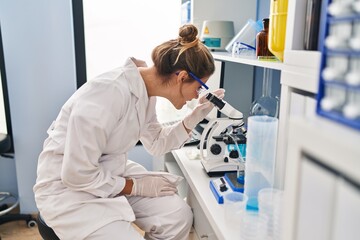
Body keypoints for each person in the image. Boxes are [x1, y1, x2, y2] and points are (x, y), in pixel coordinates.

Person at [33, 24, 225, 240]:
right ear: (181, 77)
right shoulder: (108, 93)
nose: (197, 95)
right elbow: (76, 174)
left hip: (108, 173)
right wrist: (136, 186)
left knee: (177, 216)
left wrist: (194, 117)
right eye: (200, 87)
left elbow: (156, 143)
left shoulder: (146, 92)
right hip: (68, 190)